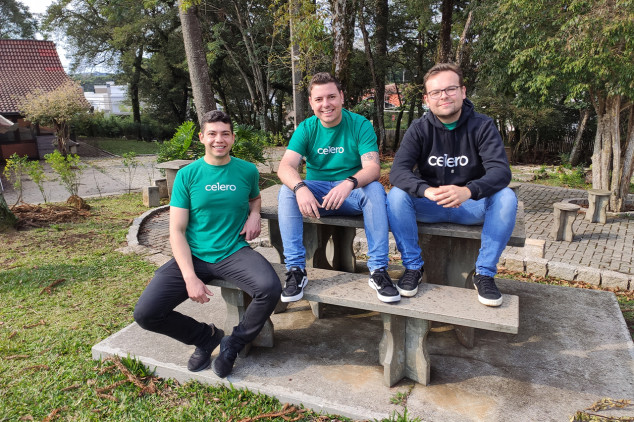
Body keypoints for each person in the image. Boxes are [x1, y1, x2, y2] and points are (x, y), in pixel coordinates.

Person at [133, 110, 281, 378]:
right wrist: (190, 277)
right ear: (201, 138)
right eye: (212, 134)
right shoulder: (188, 175)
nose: (218, 140)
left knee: (270, 288)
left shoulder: (246, 170)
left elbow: (254, 198)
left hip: (232, 251)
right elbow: (176, 231)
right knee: (146, 313)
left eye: (225, 133)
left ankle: (232, 344)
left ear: (233, 138)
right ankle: (205, 337)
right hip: (194, 254)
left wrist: (255, 214)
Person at [387, 63, 517, 307]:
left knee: (506, 197)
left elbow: (500, 172)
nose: (443, 96)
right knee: (396, 196)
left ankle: (485, 274)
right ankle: (413, 268)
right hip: (431, 204)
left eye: (450, 89)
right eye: (436, 92)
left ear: (463, 91)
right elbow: (398, 172)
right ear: (427, 99)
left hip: (470, 206)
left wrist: (468, 191)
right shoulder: (419, 129)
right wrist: (426, 190)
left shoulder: (483, 126)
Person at [276, 72, 399, 303]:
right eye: (319, 99)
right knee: (286, 191)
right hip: (318, 195)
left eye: (331, 97)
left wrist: (348, 183)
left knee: (374, 189)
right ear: (311, 103)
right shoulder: (306, 127)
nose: (326, 104)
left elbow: (372, 168)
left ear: (342, 97)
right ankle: (295, 270)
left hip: (351, 194)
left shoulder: (359, 124)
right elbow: (285, 167)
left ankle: (379, 270)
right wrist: (301, 187)